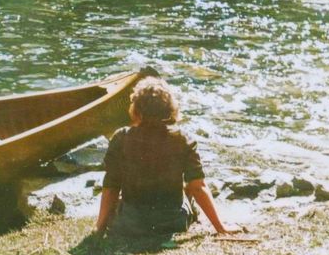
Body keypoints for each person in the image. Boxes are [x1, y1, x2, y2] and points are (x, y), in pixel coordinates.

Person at [95, 76, 239, 237]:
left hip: (131, 222)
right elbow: (197, 187)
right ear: (170, 108)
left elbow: (111, 187)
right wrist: (221, 227)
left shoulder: (121, 137)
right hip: (173, 222)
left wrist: (99, 229)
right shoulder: (183, 139)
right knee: (188, 190)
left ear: (136, 110)